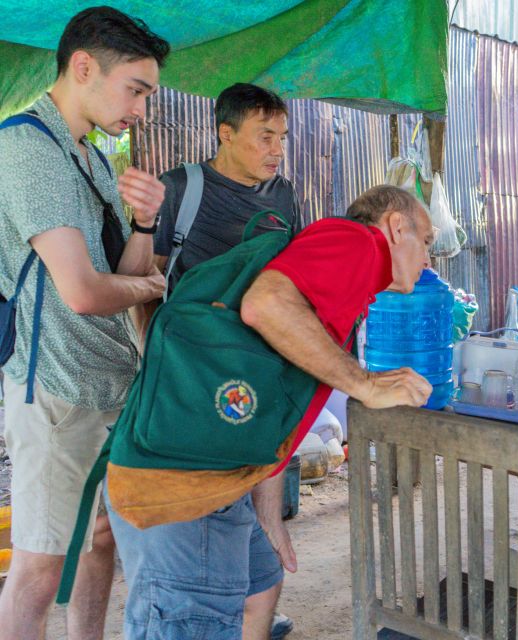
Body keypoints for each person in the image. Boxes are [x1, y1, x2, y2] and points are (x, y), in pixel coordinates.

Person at [107, 184, 434, 639]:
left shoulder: (345, 267)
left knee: (262, 584)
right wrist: (364, 384)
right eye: (428, 242)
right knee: (194, 622)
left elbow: (274, 395)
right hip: (187, 481)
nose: (429, 260)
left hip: (217, 472)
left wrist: (268, 513)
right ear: (397, 227)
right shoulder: (360, 243)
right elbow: (265, 305)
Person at [0, 7, 169, 640]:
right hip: (54, 391)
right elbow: (83, 291)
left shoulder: (92, 158)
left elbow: (118, 277)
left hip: (104, 387)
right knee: (41, 567)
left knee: (100, 542)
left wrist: (146, 225)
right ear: (83, 67)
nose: (141, 110)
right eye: (136, 90)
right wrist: (152, 284)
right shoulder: (25, 147)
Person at [137, 82, 303, 639]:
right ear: (224, 133)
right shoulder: (181, 188)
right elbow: (145, 279)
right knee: (199, 526)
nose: (276, 148)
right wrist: (152, 360)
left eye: (281, 136)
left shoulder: (284, 196)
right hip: (190, 378)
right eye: (264, 136)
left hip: (256, 373)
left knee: (254, 531)